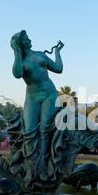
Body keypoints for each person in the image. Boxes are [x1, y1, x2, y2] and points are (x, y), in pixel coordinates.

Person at [11, 30, 64, 182]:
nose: (30, 40)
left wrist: (58, 52)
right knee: (29, 132)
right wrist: (16, 52)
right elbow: (17, 73)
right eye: (26, 39)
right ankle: (30, 168)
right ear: (21, 43)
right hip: (32, 98)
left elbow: (58, 69)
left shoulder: (40, 55)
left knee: (45, 129)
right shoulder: (20, 60)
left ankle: (42, 167)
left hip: (49, 95)